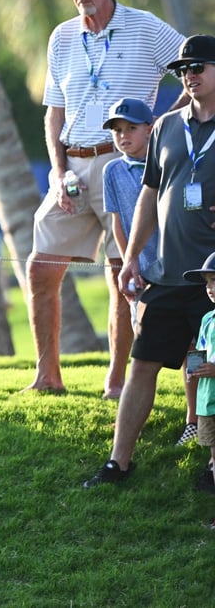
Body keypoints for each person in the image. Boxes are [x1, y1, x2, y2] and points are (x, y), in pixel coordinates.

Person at [25, 0, 186, 397]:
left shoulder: (146, 27)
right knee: (41, 267)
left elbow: (197, 72)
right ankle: (47, 377)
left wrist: (160, 126)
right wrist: (58, 172)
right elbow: (53, 113)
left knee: (122, 274)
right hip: (72, 165)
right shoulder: (61, 37)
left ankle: (117, 382)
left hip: (128, 165)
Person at [83, 34, 215, 488]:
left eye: (198, 67)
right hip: (166, 275)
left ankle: (214, 465)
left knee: (209, 367)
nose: (189, 76)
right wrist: (132, 256)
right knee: (141, 364)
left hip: (213, 280)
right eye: (183, 70)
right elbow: (149, 194)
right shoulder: (166, 126)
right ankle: (119, 463)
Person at [102, 98, 198, 443]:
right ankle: (129, 441)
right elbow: (118, 224)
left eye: (131, 128)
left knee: (193, 349)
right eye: (117, 131)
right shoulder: (111, 171)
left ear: (151, 129)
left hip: (179, 268)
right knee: (146, 353)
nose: (123, 136)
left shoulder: (175, 157)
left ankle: (193, 420)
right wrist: (130, 260)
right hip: (141, 273)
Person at [183, 252, 215, 494]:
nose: (210, 288)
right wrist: (193, 371)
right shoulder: (207, 319)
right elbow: (201, 350)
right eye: (207, 282)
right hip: (207, 401)